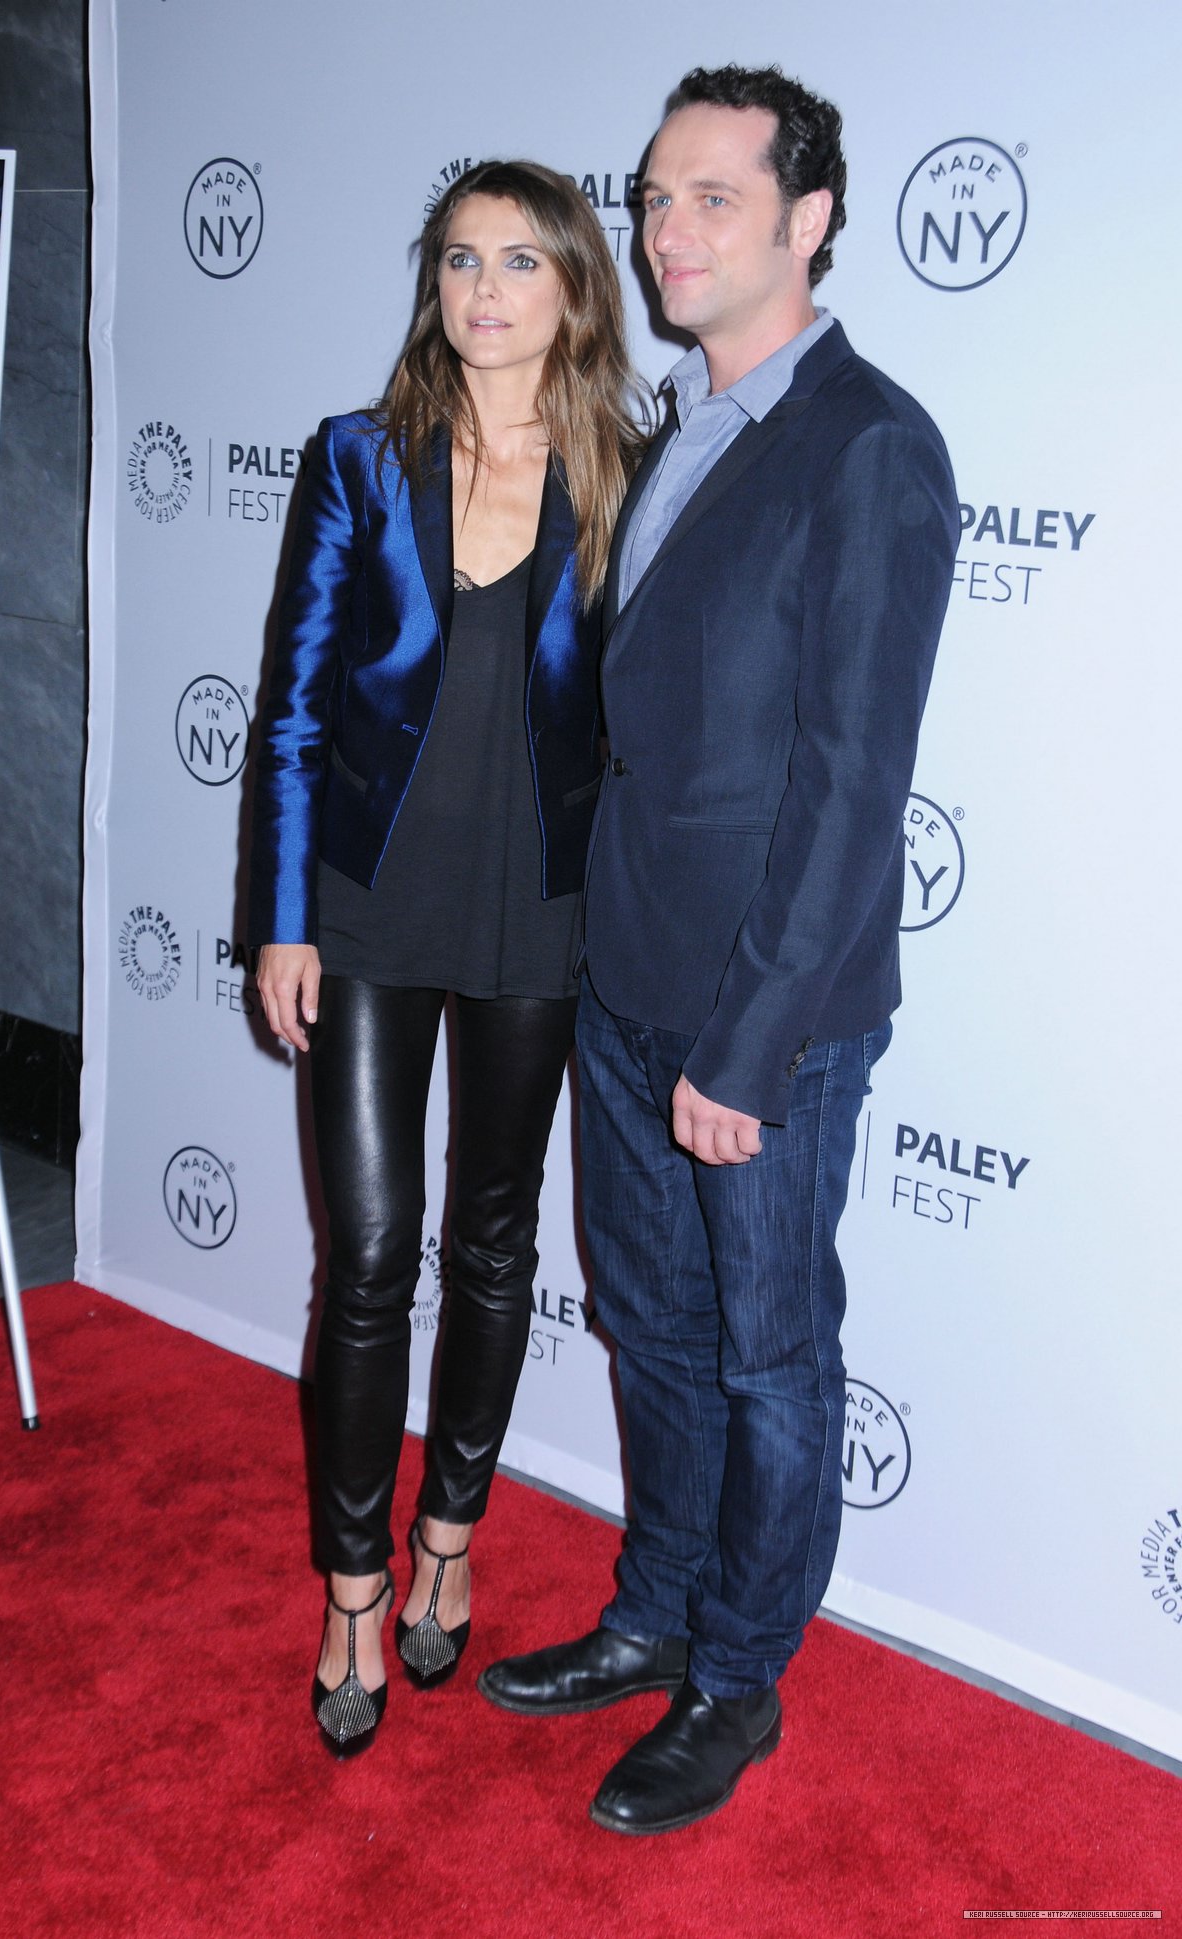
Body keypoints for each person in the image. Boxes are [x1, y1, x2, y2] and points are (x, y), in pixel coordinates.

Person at [478, 66, 958, 1834]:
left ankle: (739, 1681)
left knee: (768, 1358)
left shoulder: (872, 445)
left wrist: (746, 1054)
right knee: (659, 1337)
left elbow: (850, 783)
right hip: (627, 981)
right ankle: (657, 1611)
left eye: (712, 200)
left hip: (771, 1014)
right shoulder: (679, 422)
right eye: (656, 199)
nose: (667, 231)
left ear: (808, 219)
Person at [249, 160, 646, 1758]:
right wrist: (280, 915)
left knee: (492, 1247)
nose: (486, 289)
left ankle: (448, 1547)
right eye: (462, 260)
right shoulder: (359, 458)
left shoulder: (631, 468)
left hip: (539, 920)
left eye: (521, 262)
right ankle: (352, 1581)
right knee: (368, 1255)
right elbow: (290, 708)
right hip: (364, 910)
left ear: (572, 290)